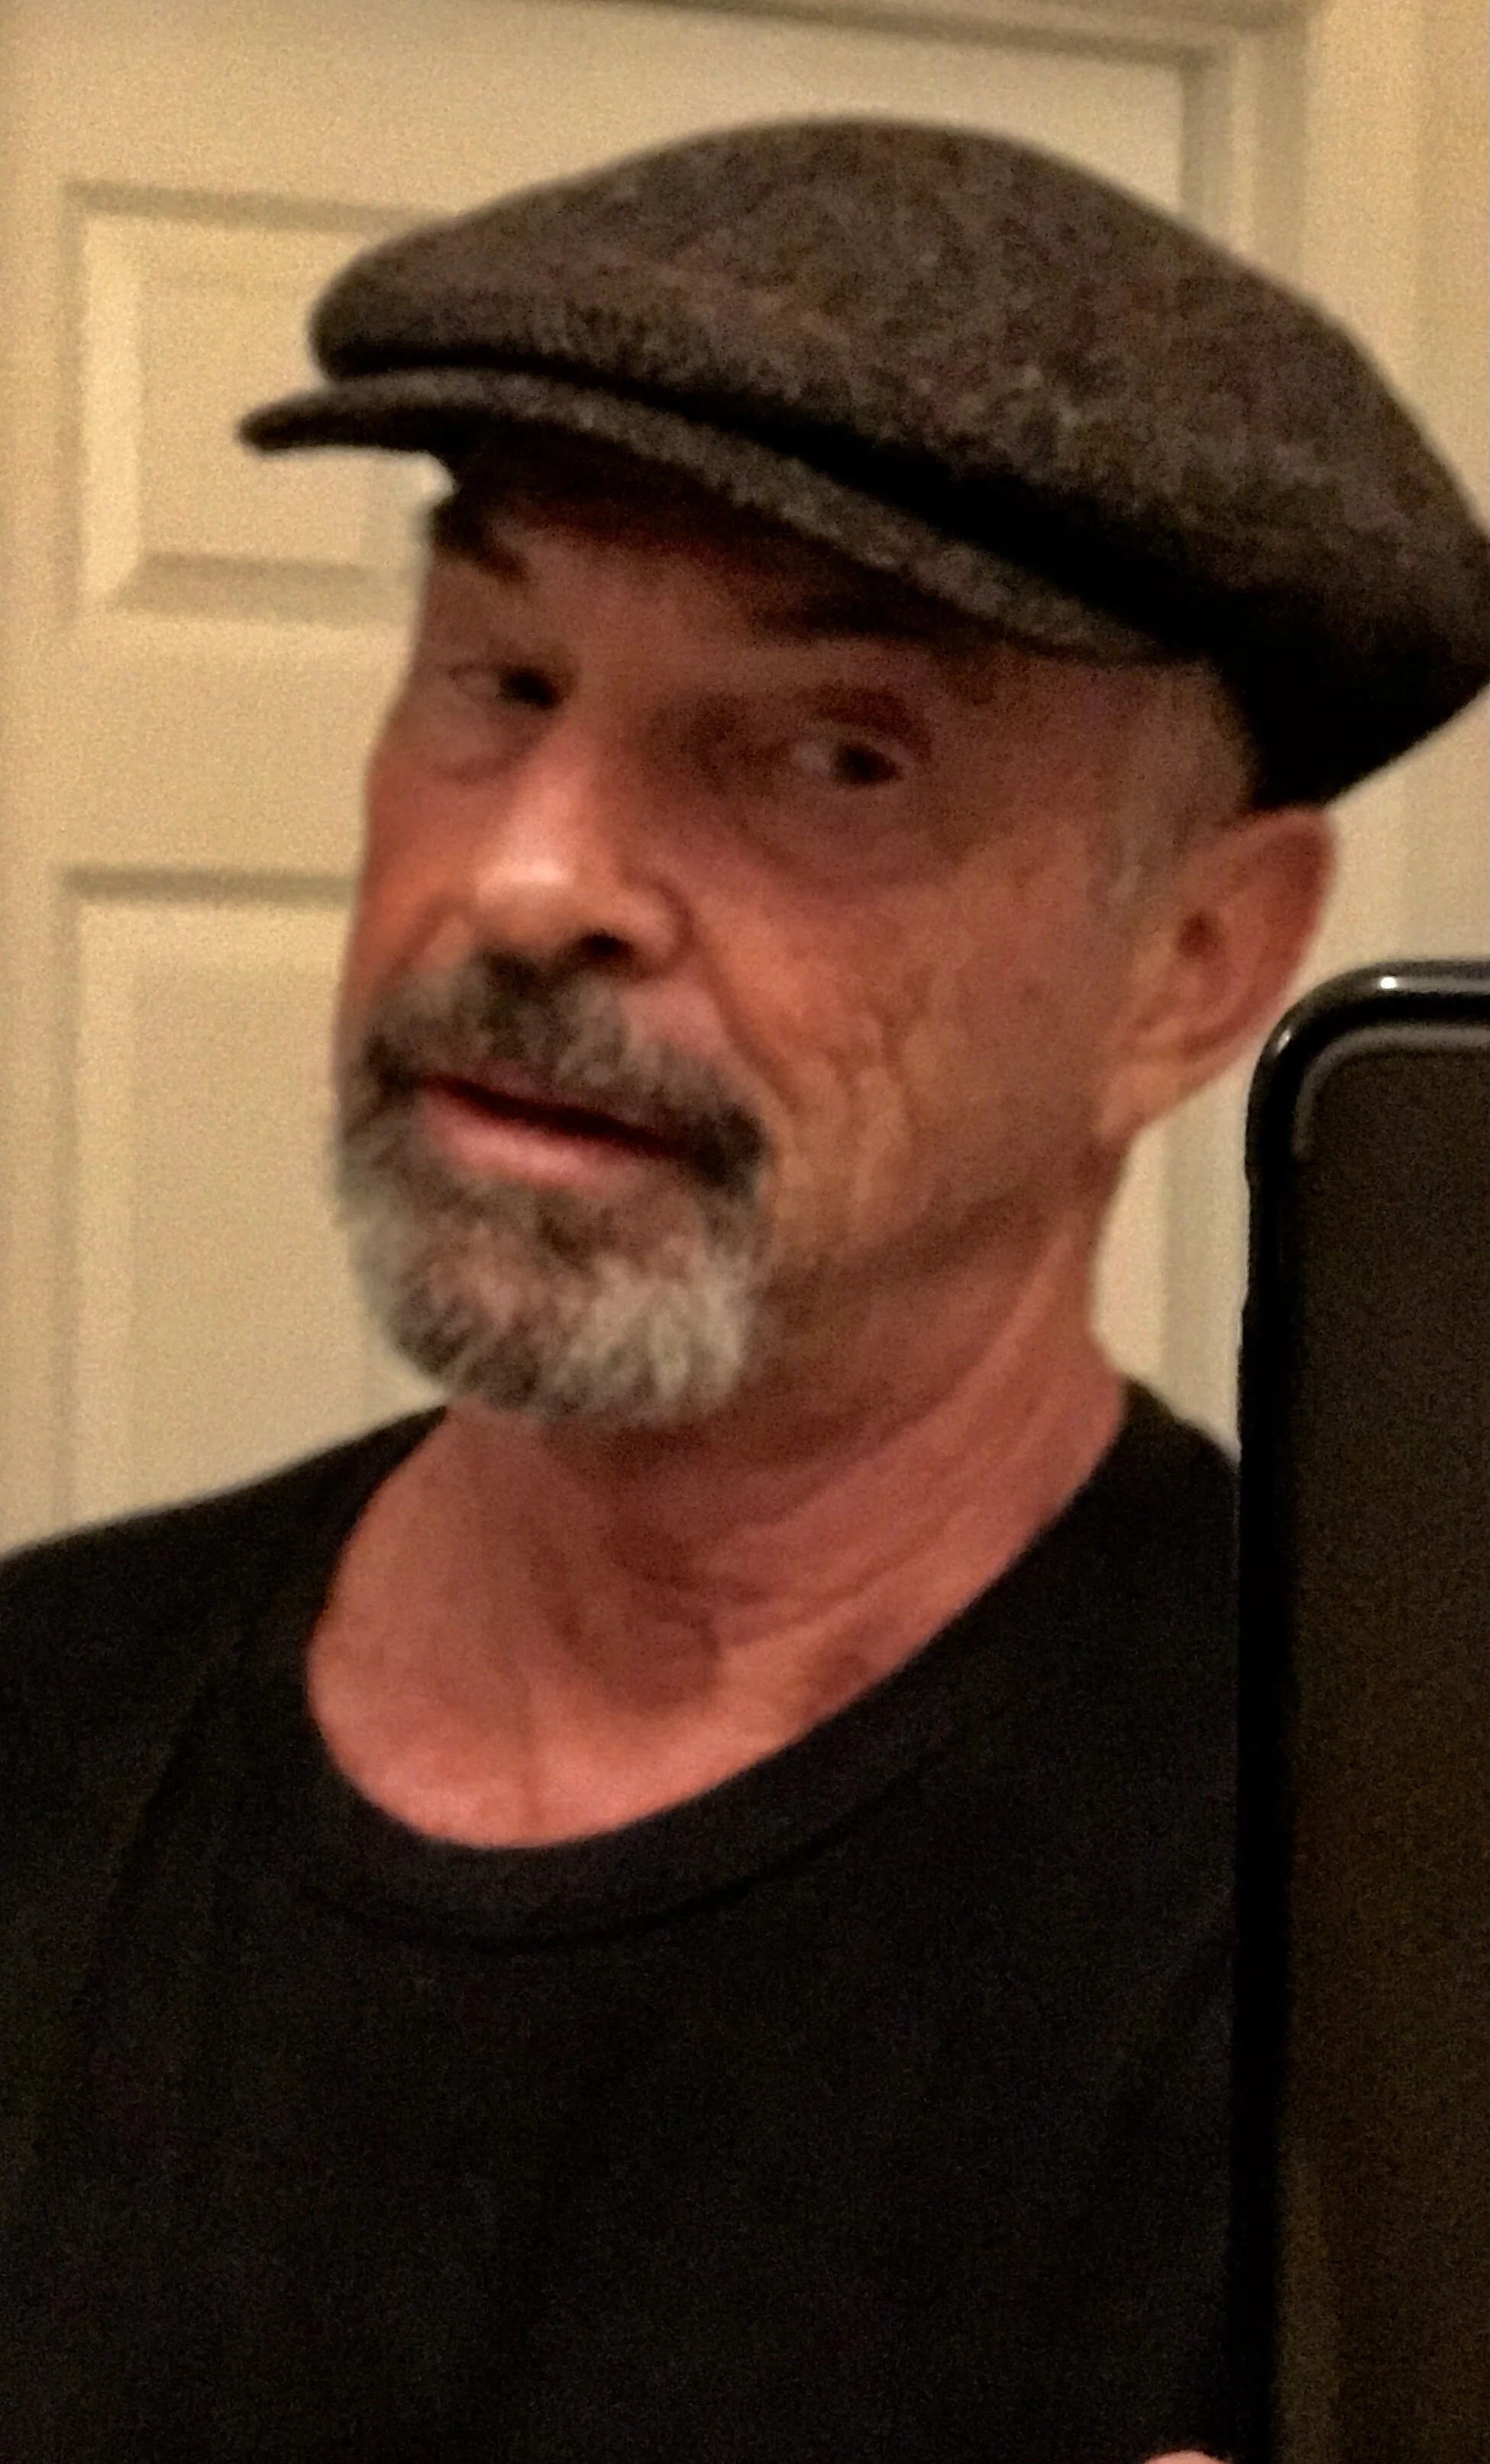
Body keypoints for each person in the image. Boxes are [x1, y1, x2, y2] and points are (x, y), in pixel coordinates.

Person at [0, 118, 1484, 2464]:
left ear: (1194, 964)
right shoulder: (39, 1718)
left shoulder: (1380, 1969)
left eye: (829, 755)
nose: (532, 881)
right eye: (499, 677)